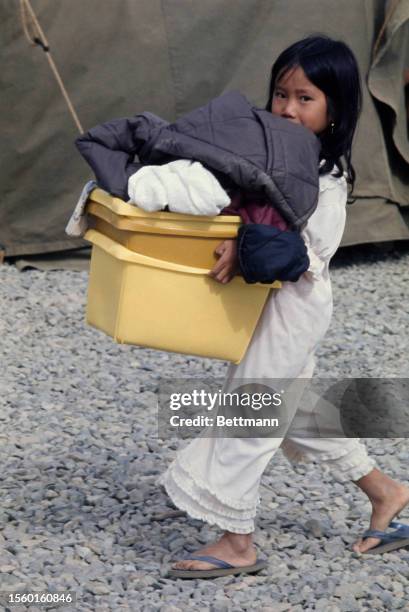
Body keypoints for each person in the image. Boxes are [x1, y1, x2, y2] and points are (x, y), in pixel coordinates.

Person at [158, 34, 409, 578]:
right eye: (281, 95)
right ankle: (387, 493)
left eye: (305, 99)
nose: (289, 109)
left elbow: (300, 252)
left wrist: (245, 243)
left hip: (291, 308)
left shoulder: (327, 176)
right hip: (267, 304)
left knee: (250, 411)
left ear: (335, 109)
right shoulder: (272, 156)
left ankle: (237, 541)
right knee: (295, 411)